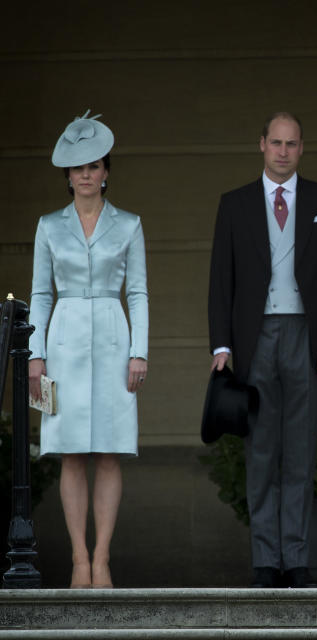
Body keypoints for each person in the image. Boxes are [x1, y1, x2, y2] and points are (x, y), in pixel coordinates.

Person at [207, 112, 317, 588]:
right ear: (262, 145)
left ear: (301, 148)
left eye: (292, 144)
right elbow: (220, 281)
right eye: (276, 143)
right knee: (261, 452)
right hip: (255, 339)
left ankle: (296, 559)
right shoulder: (234, 204)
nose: (284, 151)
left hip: (307, 341)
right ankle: (265, 560)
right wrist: (223, 345)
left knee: (298, 453)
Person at [28, 111, 148, 588]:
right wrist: (35, 355)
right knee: (71, 453)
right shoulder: (49, 226)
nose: (85, 174)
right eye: (77, 167)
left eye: (94, 165)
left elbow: (137, 292)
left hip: (116, 341)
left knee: (110, 453)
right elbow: (39, 293)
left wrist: (140, 351)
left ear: (106, 171)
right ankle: (79, 559)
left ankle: (103, 559)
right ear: (67, 175)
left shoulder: (130, 224)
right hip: (63, 342)